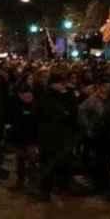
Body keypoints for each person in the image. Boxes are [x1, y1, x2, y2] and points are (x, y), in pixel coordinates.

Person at [36, 72, 79, 201]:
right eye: (59, 83)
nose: (62, 85)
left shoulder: (69, 94)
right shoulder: (46, 96)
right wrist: (63, 113)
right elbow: (44, 114)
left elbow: (73, 113)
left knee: (64, 163)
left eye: (62, 83)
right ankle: (46, 191)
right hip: (49, 136)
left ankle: (63, 187)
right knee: (48, 164)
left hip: (64, 135)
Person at [8, 84, 40, 190]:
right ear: (20, 95)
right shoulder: (16, 106)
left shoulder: (36, 106)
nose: (28, 97)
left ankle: (33, 181)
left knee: (32, 161)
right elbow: (14, 123)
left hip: (32, 139)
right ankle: (20, 181)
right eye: (25, 95)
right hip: (20, 139)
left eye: (30, 95)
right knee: (21, 161)